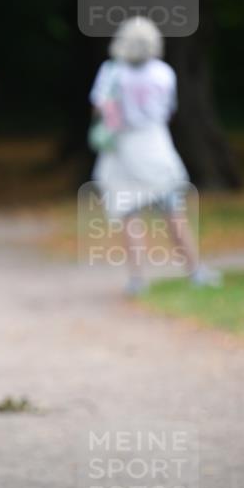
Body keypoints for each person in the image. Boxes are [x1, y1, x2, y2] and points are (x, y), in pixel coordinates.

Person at [89, 16, 220, 295]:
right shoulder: (164, 72)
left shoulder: (111, 71)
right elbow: (169, 110)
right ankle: (195, 270)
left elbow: (101, 109)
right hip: (157, 147)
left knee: (129, 215)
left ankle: (137, 279)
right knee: (174, 212)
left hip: (123, 150)